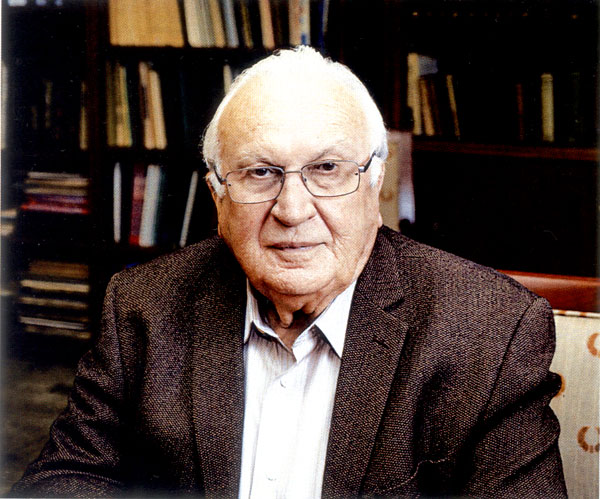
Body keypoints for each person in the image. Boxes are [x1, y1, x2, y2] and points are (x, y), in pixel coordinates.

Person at [13, 46, 566, 498]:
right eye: (261, 172)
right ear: (218, 197)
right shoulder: (145, 305)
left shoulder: (489, 331)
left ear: (374, 186)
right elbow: (63, 480)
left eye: (327, 168)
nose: (293, 209)